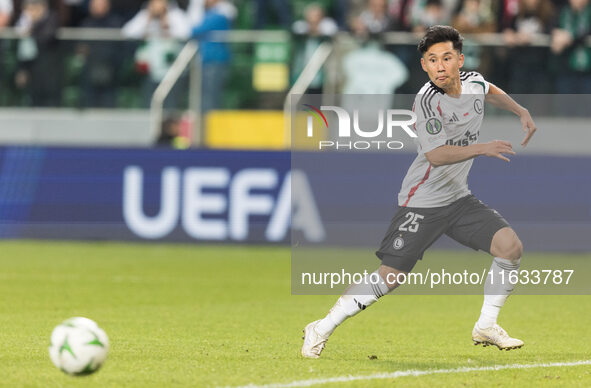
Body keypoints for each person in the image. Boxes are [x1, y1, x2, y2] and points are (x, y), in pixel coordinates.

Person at [301, 25, 537, 358]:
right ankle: (321, 327)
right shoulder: (427, 102)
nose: (440, 66)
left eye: (446, 58)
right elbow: (436, 155)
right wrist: (482, 148)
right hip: (422, 202)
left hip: (458, 199)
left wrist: (520, 111)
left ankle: (486, 325)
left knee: (510, 247)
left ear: (460, 60)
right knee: (390, 277)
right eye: (432, 60)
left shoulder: (472, 81)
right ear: (424, 66)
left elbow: (488, 88)